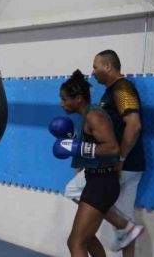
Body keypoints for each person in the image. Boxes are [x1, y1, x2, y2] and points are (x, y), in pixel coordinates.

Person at [50, 70, 122, 257]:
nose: (62, 103)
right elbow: (92, 146)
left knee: (75, 242)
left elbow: (113, 148)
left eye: (65, 99)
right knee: (87, 239)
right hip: (96, 181)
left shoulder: (94, 116)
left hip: (102, 183)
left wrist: (79, 148)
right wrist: (74, 143)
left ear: (79, 99)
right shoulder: (86, 116)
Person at [92, 50, 146, 256]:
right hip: (129, 165)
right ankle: (127, 228)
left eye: (95, 66)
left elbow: (134, 125)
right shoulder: (112, 91)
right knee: (125, 223)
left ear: (108, 66)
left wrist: (120, 158)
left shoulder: (122, 88)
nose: (93, 72)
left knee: (76, 191)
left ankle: (127, 227)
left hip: (122, 164)